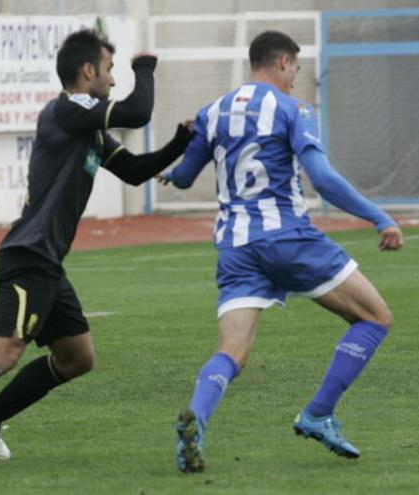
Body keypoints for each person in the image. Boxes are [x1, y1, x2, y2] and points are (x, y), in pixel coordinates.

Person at [0, 28, 193, 477]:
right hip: (29, 256)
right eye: (109, 71)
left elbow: (136, 172)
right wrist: (145, 67)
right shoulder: (69, 109)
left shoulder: (89, 130)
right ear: (87, 72)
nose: (114, 81)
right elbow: (138, 111)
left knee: (77, 357)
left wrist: (180, 141)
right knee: (2, 351)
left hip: (47, 262)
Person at [158, 30, 404, 473]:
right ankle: (317, 414)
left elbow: (187, 173)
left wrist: (171, 176)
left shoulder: (212, 111)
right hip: (287, 237)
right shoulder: (293, 109)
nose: (296, 78)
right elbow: (322, 179)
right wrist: (378, 216)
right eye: (296, 69)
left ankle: (198, 420)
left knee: (232, 352)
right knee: (374, 317)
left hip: (235, 246)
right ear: (284, 63)